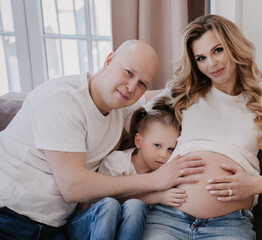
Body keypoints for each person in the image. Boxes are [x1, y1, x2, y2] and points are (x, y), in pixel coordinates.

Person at [141, 14, 262, 240]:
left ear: (233, 47)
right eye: (201, 58)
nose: (211, 64)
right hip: (168, 216)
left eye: (218, 50)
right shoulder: (184, 93)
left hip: (227, 225)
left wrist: (254, 185)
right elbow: (133, 103)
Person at [0, 40, 205, 239]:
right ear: (109, 60)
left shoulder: (120, 108)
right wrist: (154, 180)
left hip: (54, 226)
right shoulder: (64, 100)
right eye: (128, 73)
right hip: (10, 216)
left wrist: (207, 80)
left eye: (141, 83)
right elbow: (73, 187)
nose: (131, 87)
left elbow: (161, 95)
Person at [67, 96, 186, 240]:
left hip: (120, 229)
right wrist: (157, 197)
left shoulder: (162, 174)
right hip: (88, 223)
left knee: (135, 205)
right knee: (111, 204)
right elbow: (100, 200)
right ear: (139, 141)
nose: (163, 155)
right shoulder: (117, 162)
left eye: (170, 149)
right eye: (157, 146)